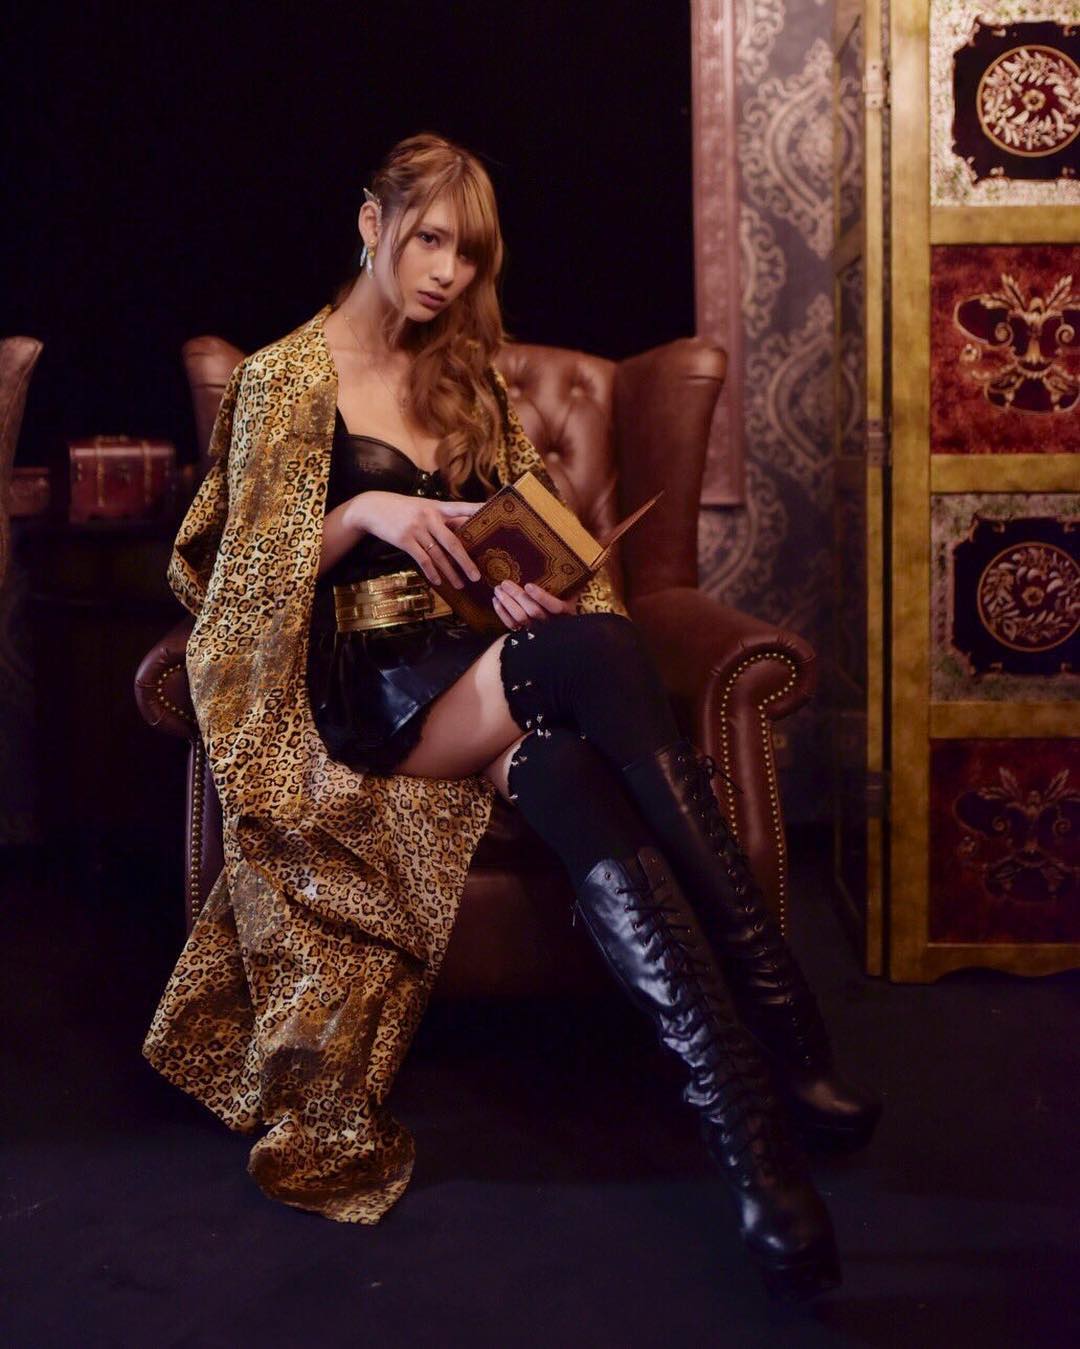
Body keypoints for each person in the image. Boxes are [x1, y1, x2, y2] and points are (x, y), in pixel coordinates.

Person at [145, 132, 880, 1303]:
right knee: (596, 652)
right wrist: (367, 513)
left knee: (575, 771)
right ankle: (790, 1028)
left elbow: (520, 533)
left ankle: (755, 1149)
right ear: (372, 224)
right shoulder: (286, 376)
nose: (446, 272)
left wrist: (515, 585)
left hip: (481, 657)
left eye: (469, 253)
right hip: (373, 688)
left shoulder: (470, 376)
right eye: (429, 239)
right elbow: (234, 585)